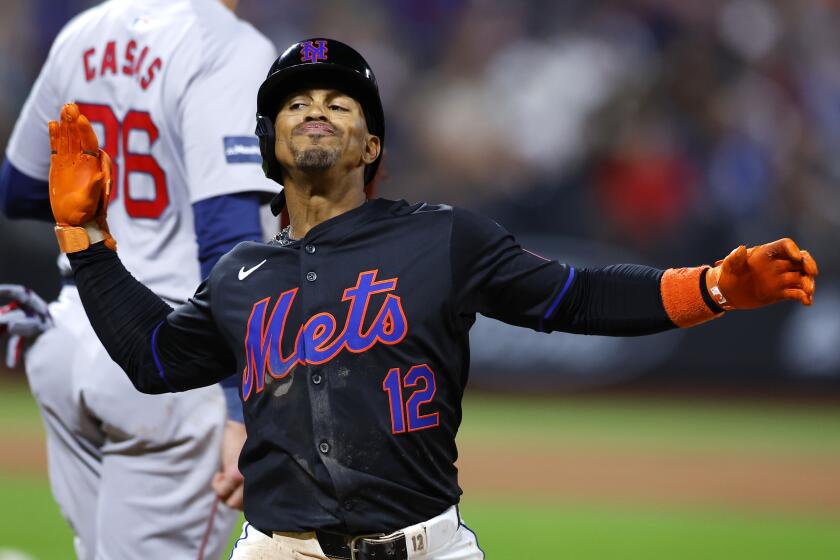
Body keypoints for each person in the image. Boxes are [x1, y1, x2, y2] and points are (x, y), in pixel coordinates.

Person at [47, 38, 818, 560]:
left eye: (340, 102)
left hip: (426, 546)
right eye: (296, 102)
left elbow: (575, 297)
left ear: (373, 147)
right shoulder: (240, 273)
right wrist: (83, 234)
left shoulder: (446, 238)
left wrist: (711, 287)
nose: (317, 108)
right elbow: (154, 358)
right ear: (270, 142)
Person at [0, 0, 277, 558]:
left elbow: (20, 188)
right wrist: (239, 405)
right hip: (169, 356)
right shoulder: (228, 43)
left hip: (68, 339)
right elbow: (228, 243)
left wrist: (118, 210)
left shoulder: (84, 31)